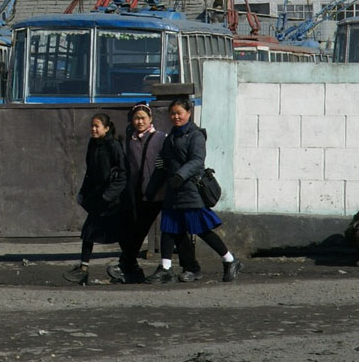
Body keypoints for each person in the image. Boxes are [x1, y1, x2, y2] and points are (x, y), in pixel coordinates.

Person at [151, 97, 242, 283]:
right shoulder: (171, 136)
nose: (176, 117)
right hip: (173, 190)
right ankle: (166, 268)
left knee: (201, 229)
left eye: (180, 113)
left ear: (189, 113)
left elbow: (197, 161)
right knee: (169, 228)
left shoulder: (196, 135)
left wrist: (180, 175)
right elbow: (165, 161)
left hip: (190, 189)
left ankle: (230, 260)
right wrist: (155, 182)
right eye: (173, 114)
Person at [64, 112, 127, 285]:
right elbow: (90, 173)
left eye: (96, 126)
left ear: (106, 129)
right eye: (92, 125)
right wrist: (83, 193)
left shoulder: (114, 146)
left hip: (112, 200)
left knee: (120, 234)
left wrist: (109, 195)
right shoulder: (93, 144)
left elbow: (123, 174)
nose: (93, 129)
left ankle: (130, 266)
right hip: (98, 197)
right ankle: (83, 269)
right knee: (89, 233)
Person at [110, 102, 167, 284]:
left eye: (143, 118)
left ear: (150, 119)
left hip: (155, 192)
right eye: (136, 118)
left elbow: (165, 162)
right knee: (132, 229)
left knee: (141, 229)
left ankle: (126, 263)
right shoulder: (131, 139)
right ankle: (130, 266)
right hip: (135, 193)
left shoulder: (160, 138)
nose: (139, 121)